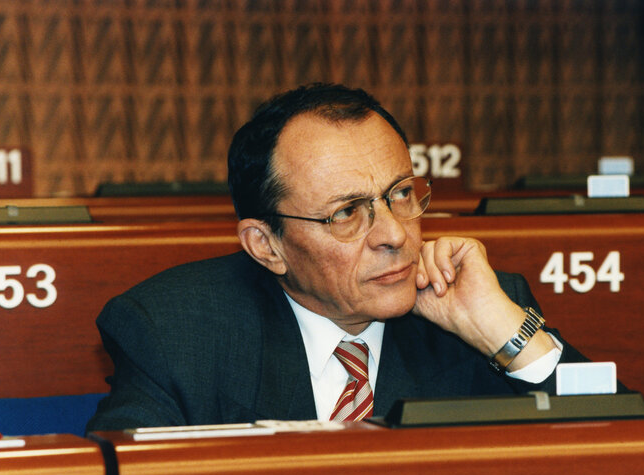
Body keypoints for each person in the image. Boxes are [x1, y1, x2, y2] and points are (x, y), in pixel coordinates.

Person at [86, 83, 597, 431]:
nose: (396, 233)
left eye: (400, 193)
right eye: (347, 212)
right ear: (267, 246)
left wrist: (505, 337)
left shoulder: (482, 308)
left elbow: (628, 462)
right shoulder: (175, 333)